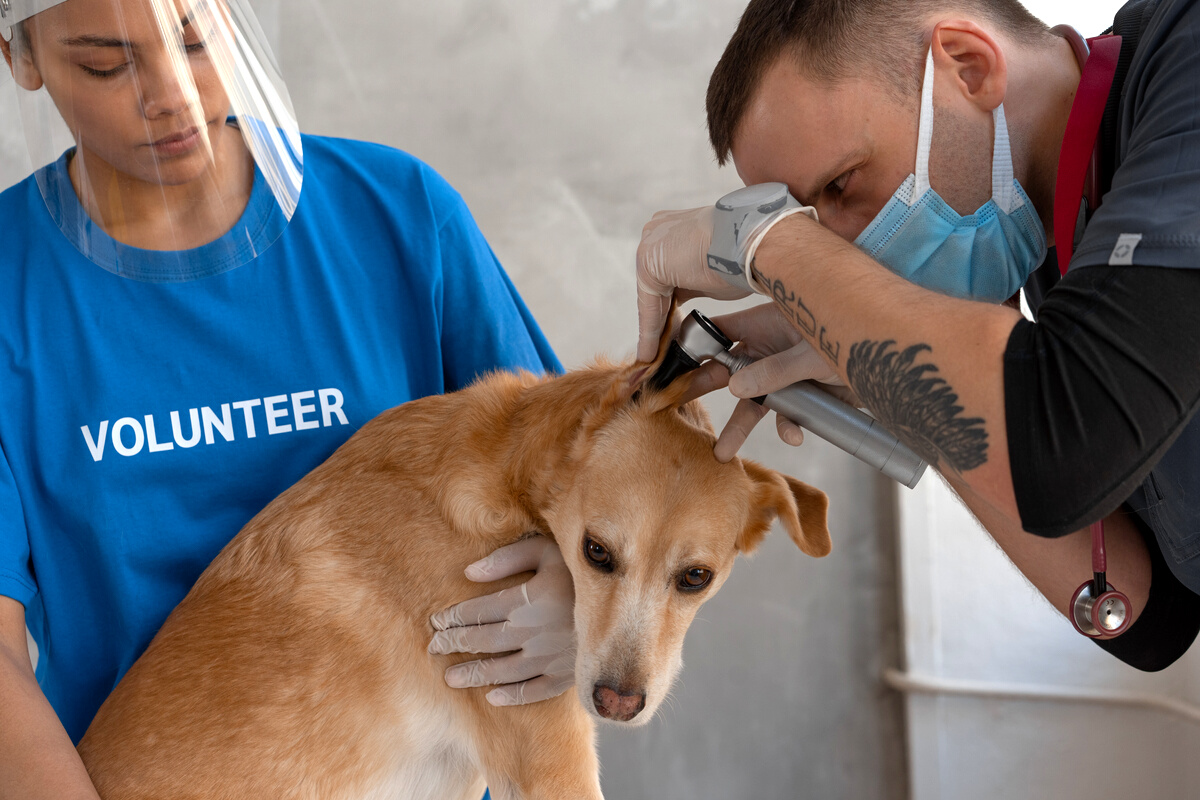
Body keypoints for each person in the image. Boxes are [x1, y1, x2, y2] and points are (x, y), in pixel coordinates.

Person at [0, 0, 569, 797]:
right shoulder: (9, 291)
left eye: (197, 39)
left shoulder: (400, 217)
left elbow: (579, 474)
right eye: (108, 64)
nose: (174, 93)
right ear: (19, 57)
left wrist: (579, 589)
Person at [630, 0, 1200, 672]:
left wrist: (764, 242)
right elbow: (1145, 613)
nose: (841, 252)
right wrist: (891, 382)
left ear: (968, 67)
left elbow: (1060, 449)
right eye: (811, 222)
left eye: (841, 186)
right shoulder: (1058, 248)